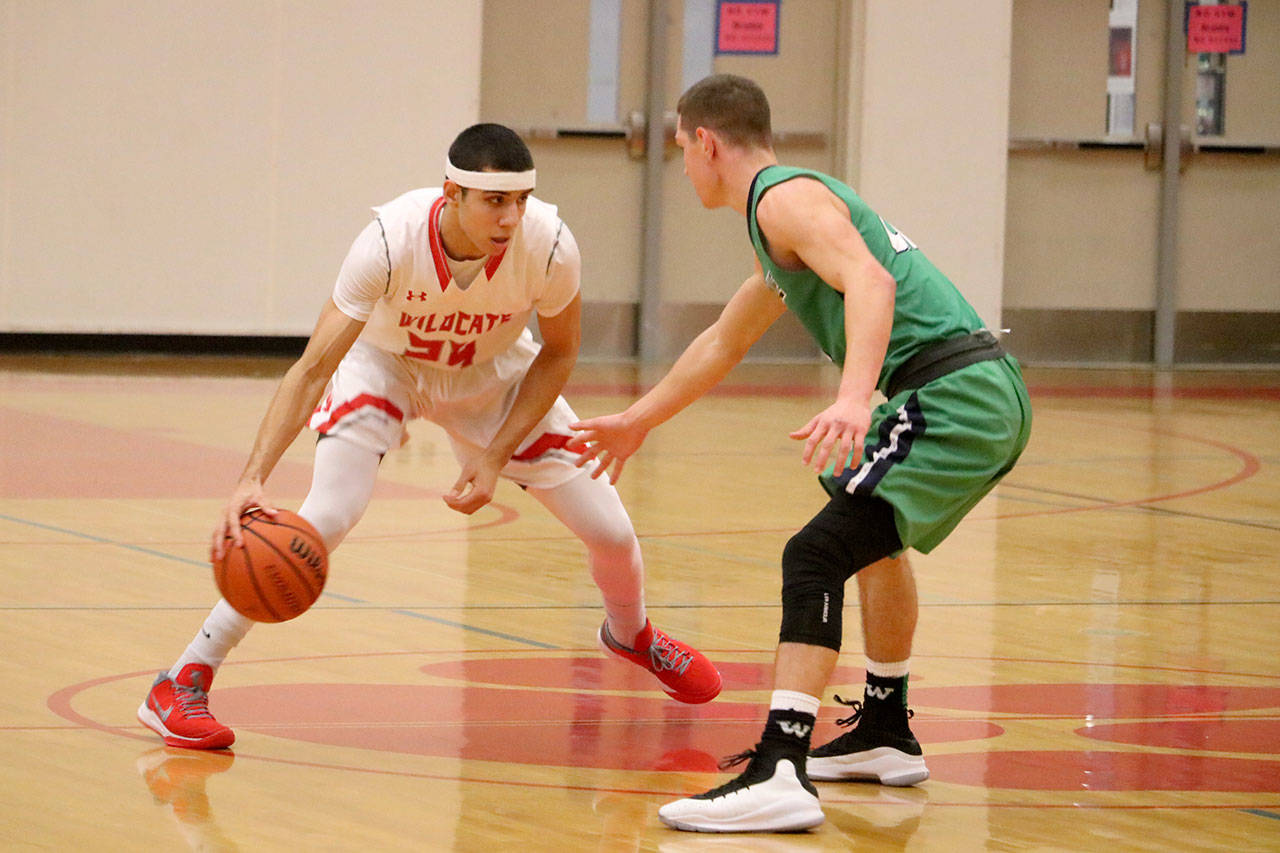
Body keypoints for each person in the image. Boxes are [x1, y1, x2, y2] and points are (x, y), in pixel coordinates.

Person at [137, 123, 722, 751]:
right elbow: (312, 368)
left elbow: (559, 353)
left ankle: (630, 633)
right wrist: (251, 478)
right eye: (495, 201)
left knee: (611, 531)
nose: (510, 217)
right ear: (452, 193)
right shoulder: (389, 242)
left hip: (492, 374)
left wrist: (495, 456)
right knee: (327, 515)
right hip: (388, 365)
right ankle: (183, 679)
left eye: (520, 201)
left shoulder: (550, 246)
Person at [570, 75, 1032, 833]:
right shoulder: (778, 225)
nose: (683, 165)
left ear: (707, 143)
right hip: (973, 388)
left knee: (812, 556)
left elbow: (871, 281)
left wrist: (854, 397)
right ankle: (886, 728)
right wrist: (639, 420)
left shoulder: (784, 198)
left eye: (683, 149)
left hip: (956, 393)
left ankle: (781, 766)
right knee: (867, 535)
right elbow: (724, 340)